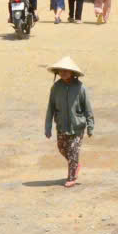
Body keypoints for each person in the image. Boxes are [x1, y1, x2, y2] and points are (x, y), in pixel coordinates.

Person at [44, 56, 94, 188]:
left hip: (77, 126)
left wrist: (90, 126)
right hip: (61, 125)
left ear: (72, 72)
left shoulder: (80, 88)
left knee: (73, 151)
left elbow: (87, 108)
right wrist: (48, 127)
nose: (63, 73)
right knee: (62, 148)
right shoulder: (55, 88)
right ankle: (75, 164)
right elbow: (51, 107)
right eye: (61, 71)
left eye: (66, 71)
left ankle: (71, 177)